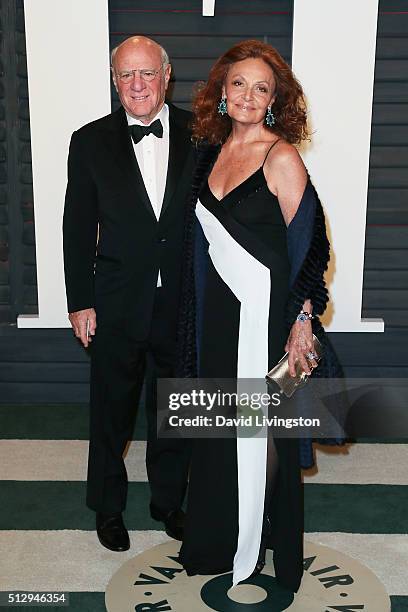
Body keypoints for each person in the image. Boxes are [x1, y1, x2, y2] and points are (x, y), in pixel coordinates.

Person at [177, 40, 344, 592]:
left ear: (274, 100)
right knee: (222, 425)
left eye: (262, 87)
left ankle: (261, 538)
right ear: (222, 92)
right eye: (239, 84)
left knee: (261, 431)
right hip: (217, 314)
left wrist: (303, 319)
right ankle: (222, 534)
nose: (249, 95)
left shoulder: (281, 156)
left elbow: (311, 243)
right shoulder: (211, 151)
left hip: (267, 315)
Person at [63, 36, 193, 552]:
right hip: (115, 300)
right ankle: (108, 508)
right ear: (115, 81)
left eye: (147, 74)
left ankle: (168, 503)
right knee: (110, 412)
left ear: (166, 76)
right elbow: (77, 226)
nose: (137, 85)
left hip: (182, 302)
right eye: (125, 75)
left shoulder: (202, 133)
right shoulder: (89, 141)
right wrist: (79, 300)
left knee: (174, 412)